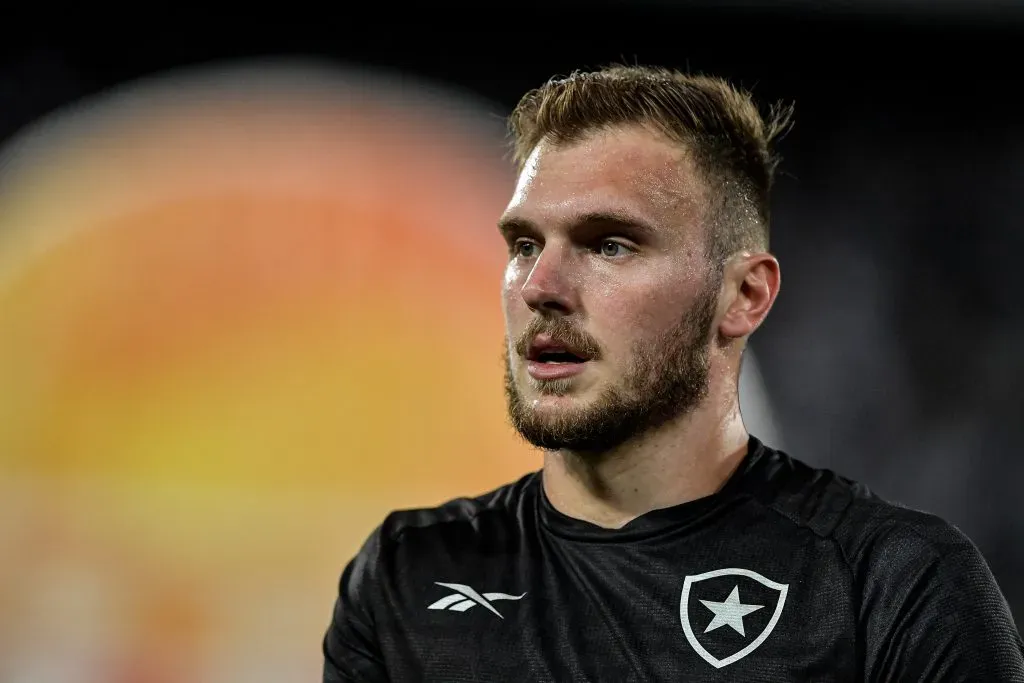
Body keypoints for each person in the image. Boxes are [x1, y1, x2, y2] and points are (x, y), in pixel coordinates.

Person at [322, 65, 1024, 681]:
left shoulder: (891, 584)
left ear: (743, 296)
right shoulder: (407, 575)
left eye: (610, 244)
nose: (541, 284)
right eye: (525, 243)